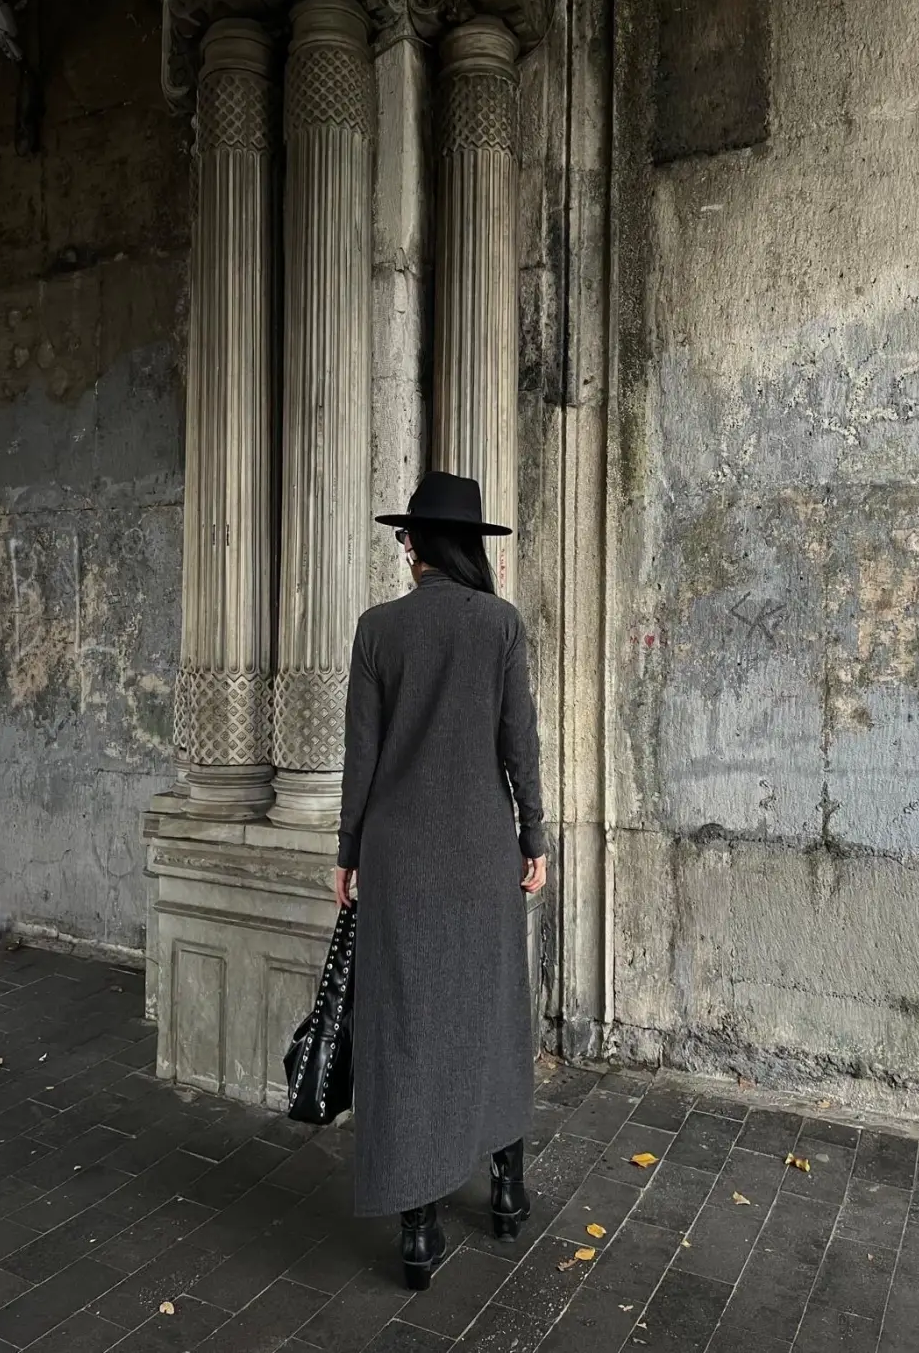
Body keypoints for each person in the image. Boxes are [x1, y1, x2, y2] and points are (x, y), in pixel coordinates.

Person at [334, 470, 547, 1291]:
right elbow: (519, 744)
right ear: (471, 548)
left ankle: (418, 1230)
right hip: (482, 853)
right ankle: (507, 1191)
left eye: (404, 539)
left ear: (414, 545)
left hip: (399, 860)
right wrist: (533, 837)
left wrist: (348, 852)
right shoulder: (500, 625)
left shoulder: (377, 630)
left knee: (405, 1030)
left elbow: (361, 758)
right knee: (492, 1015)